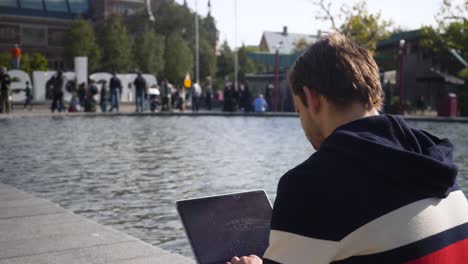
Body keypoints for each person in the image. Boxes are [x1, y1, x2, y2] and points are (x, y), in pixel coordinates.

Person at [228, 34, 468, 264]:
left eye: (299, 111)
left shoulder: (311, 185)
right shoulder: (432, 157)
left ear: (312, 99)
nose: (301, 123)